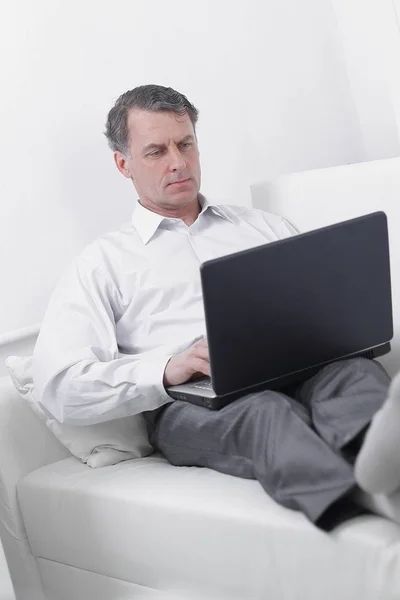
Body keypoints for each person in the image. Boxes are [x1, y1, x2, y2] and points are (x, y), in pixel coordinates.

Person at [32, 84, 398, 531]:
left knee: (355, 375)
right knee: (265, 412)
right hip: (195, 407)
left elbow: (316, 306)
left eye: (186, 143)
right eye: (156, 151)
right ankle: (359, 511)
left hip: (298, 371)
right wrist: (167, 368)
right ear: (123, 163)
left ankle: (388, 474)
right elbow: (60, 386)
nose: (178, 162)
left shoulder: (262, 226)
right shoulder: (101, 264)